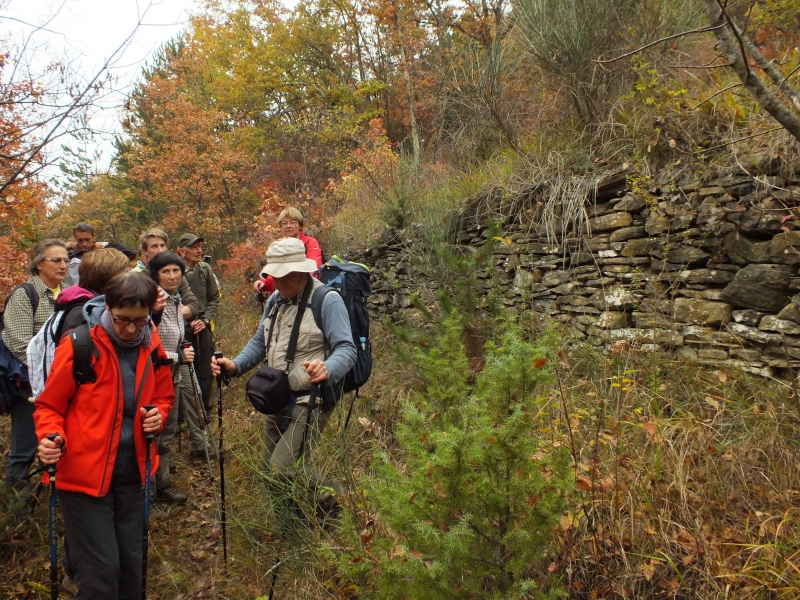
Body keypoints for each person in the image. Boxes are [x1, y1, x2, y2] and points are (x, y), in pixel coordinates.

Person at [34, 271, 174, 600]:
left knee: (131, 564)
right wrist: (51, 436)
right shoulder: (80, 344)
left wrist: (158, 416)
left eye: (139, 320)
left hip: (134, 472)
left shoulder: (151, 342)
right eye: (122, 319)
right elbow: (48, 406)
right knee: (101, 573)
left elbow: (164, 397)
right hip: (84, 477)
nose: (130, 329)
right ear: (107, 307)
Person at [213, 237, 355, 519]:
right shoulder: (275, 300)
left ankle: (341, 502)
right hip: (277, 396)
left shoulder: (327, 301)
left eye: (285, 275)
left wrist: (327, 368)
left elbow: (346, 349)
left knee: (283, 468)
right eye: (275, 275)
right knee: (269, 469)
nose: (278, 282)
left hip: (311, 400)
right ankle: (292, 525)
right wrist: (235, 365)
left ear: (303, 270)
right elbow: (260, 341)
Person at [3, 239, 68, 492]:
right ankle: (16, 507)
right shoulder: (25, 295)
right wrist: (52, 374)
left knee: (56, 445)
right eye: (56, 260)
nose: (63, 265)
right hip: (30, 391)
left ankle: (49, 497)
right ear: (39, 264)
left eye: (66, 260)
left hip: (62, 388)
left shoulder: (69, 293)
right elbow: (20, 345)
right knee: (24, 451)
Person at [147, 252, 195, 504]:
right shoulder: (153, 301)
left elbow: (174, 339)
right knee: (153, 435)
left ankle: (162, 486)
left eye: (176, 271)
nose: (172, 276)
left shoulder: (175, 300)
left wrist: (182, 347)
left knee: (167, 433)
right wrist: (179, 356)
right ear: (156, 275)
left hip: (172, 377)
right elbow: (148, 345)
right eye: (166, 271)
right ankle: (149, 491)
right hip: (153, 380)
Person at [176, 233, 219, 420]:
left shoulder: (205, 269)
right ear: (181, 251)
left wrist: (205, 320)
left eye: (200, 247)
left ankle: (204, 411)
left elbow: (214, 298)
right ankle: (182, 415)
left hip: (202, 325)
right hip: (180, 326)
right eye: (193, 247)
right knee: (182, 369)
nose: (199, 250)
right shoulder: (174, 271)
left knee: (205, 369)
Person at [253, 207, 323, 295]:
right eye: (284, 223)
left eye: (292, 222)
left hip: (303, 290)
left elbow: (314, 268)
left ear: (300, 226)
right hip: (282, 294)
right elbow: (276, 271)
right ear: (281, 226)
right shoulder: (279, 245)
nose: (288, 226)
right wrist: (264, 282)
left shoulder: (310, 242)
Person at [63, 222, 136, 288]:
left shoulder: (105, 253)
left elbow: (130, 254)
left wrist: (105, 244)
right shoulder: (72, 256)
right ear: (75, 239)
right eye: (80, 240)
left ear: (94, 236)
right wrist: (63, 246)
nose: (84, 244)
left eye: (87, 239)